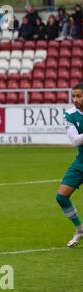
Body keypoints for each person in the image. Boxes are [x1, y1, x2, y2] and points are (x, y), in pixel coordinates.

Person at [56, 83, 83, 247]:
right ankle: (80, 229)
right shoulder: (70, 114)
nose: (75, 99)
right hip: (81, 161)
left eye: (79, 96)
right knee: (61, 196)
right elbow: (75, 140)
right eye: (73, 96)